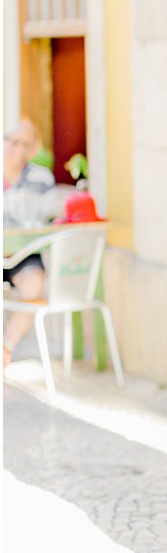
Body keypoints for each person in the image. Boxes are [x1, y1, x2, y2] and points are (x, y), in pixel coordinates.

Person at [3, 119, 56, 368]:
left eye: (23, 144)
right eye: (11, 141)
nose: (15, 148)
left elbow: (47, 219)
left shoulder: (41, 178)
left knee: (34, 283)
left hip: (24, 252)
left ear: (33, 149)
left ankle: (5, 347)